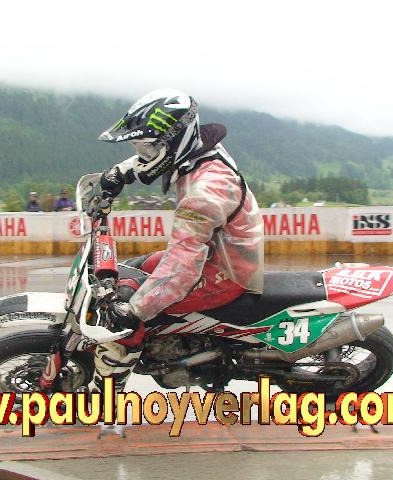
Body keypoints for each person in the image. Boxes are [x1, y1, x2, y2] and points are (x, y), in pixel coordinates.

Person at [88, 89, 264, 393]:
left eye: (147, 148)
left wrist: (134, 311)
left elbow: (181, 269)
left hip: (224, 272)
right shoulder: (197, 150)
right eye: (139, 148)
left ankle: (102, 398)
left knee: (126, 313)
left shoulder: (204, 193)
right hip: (215, 253)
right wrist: (119, 174)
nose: (143, 155)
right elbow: (163, 156)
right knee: (132, 270)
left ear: (173, 141)